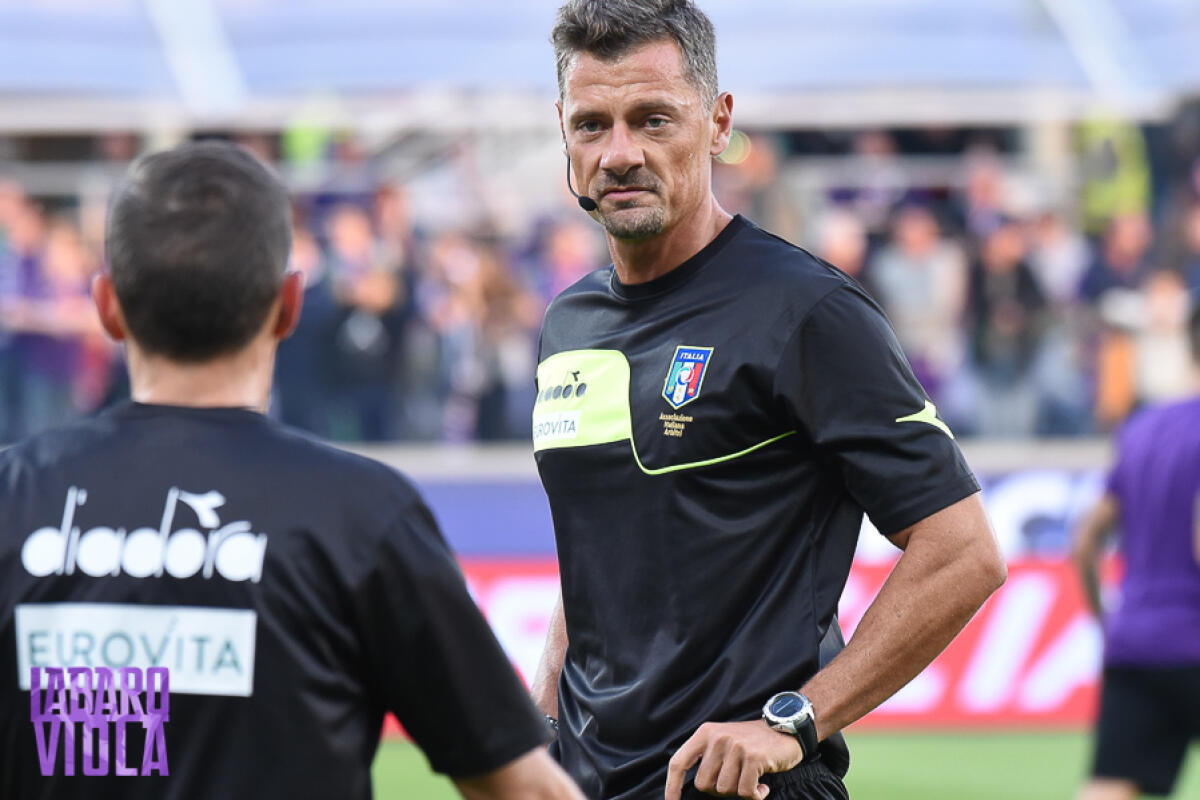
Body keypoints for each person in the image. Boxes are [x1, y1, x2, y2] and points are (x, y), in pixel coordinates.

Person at [0, 141, 584, 800]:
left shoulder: (12, 495)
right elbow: (526, 788)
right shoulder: (362, 515)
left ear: (107, 306)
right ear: (288, 305)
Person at [531, 2, 1007, 799]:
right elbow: (598, 548)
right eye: (592, 125)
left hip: (745, 790)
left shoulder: (806, 311)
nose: (620, 153)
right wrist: (541, 714)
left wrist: (794, 722)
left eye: (653, 120)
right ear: (563, 132)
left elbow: (963, 552)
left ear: (718, 123)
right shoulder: (567, 324)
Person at [1071, 300, 1200, 800]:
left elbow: (1086, 540)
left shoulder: (1143, 428)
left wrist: (1106, 623)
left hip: (1136, 642)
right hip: (1192, 636)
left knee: (1109, 786)